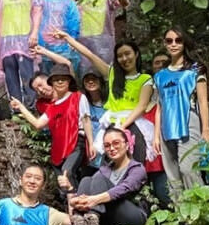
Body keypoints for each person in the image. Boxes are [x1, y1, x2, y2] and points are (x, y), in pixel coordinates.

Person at [59, 34, 154, 164]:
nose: (124, 58)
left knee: (135, 164)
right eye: (120, 56)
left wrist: (122, 126)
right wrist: (67, 38)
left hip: (133, 125)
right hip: (112, 124)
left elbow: (141, 106)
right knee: (110, 166)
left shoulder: (145, 79)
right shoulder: (112, 74)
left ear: (136, 54)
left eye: (127, 54)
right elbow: (90, 55)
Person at [152, 26, 209, 198]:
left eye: (178, 40)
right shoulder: (160, 75)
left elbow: (203, 101)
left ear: (184, 42)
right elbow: (159, 107)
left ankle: (200, 207)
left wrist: (206, 129)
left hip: (188, 122)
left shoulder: (195, 69)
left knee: (188, 169)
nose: (173, 44)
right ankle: (180, 211)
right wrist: (156, 136)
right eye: (169, 41)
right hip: (166, 126)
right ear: (165, 44)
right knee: (172, 175)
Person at [10, 64, 93, 184]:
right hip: (59, 146)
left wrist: (91, 143)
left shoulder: (78, 97)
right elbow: (38, 124)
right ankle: (71, 195)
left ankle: (75, 194)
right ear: (52, 83)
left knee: (67, 172)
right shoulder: (51, 107)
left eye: (63, 79)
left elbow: (86, 120)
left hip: (75, 142)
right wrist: (21, 107)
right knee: (61, 179)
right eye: (56, 80)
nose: (60, 82)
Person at [67, 126, 148, 225]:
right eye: (107, 145)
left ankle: (91, 221)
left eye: (116, 143)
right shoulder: (104, 170)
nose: (112, 148)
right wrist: (75, 201)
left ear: (127, 145)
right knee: (86, 180)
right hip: (109, 220)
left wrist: (94, 200)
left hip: (132, 218)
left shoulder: (137, 169)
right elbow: (89, 191)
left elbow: (125, 188)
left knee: (99, 179)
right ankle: (81, 224)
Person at [76, 0, 128, 76]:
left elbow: (125, 4)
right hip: (84, 43)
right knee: (87, 75)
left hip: (104, 43)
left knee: (106, 74)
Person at [39, 0, 81, 75]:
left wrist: (72, 39)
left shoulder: (70, 2)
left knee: (66, 75)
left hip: (65, 46)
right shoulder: (43, 1)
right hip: (46, 46)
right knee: (47, 77)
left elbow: (74, 21)